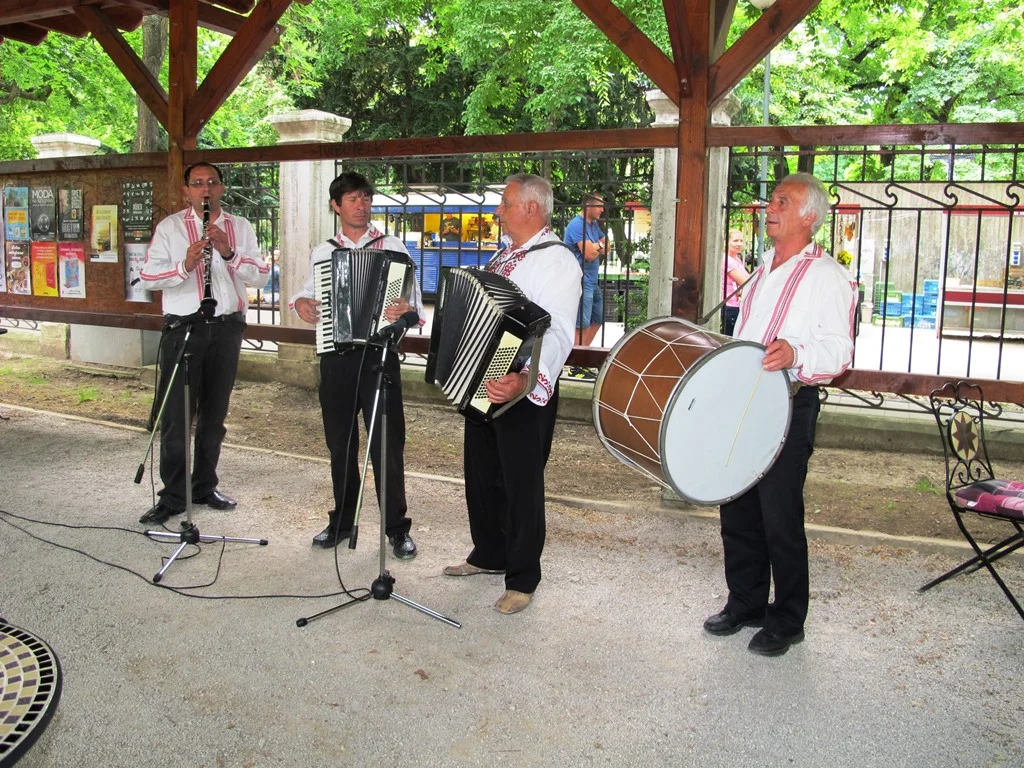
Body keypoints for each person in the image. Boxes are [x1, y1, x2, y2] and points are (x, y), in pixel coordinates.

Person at [704, 172, 856, 656]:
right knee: (737, 507)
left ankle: (788, 619)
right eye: (771, 200)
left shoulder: (828, 276)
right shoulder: (764, 266)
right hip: (743, 401)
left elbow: (840, 351)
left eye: (782, 201)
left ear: (809, 216)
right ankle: (745, 602)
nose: (769, 208)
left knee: (779, 514)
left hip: (789, 403)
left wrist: (796, 352)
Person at [443, 174, 582, 614]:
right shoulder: (505, 254)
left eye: (505, 203)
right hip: (484, 378)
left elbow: (558, 332)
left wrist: (526, 380)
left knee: (521, 483)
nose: (497, 211)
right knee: (482, 473)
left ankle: (522, 577)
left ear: (531, 208)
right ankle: (489, 552)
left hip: (522, 385)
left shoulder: (557, 260)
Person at [290, 171, 423, 559]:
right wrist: (301, 304)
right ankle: (342, 522)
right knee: (340, 445)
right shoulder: (323, 251)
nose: (361, 205)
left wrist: (406, 310)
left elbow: (414, 305)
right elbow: (306, 295)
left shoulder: (393, 246)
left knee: (387, 446)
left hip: (380, 357)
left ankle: (396, 529)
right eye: (352, 199)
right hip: (336, 357)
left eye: (365, 198)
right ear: (336, 206)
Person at [138, 162, 269, 525]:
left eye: (212, 182)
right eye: (197, 183)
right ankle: (173, 495)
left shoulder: (240, 227)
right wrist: (184, 265)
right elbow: (148, 276)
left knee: (214, 415)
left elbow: (260, 276)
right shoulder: (170, 228)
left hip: (226, 328)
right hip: (184, 328)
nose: (205, 189)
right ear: (186, 191)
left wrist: (228, 253)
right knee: (177, 415)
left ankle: (204, 486)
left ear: (221, 188)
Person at [563, 192, 606, 379]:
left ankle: (581, 360)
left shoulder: (593, 225)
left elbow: (607, 245)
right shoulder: (576, 225)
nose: (602, 210)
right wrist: (598, 247)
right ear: (588, 206)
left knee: (597, 318)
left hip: (592, 280)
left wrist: (596, 246)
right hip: (580, 280)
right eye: (599, 206)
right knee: (582, 324)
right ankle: (575, 364)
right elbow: (588, 255)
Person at [722, 228, 751, 336]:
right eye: (735, 241)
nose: (739, 244)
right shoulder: (727, 260)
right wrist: (742, 288)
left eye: (741, 241)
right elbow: (746, 282)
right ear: (726, 242)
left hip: (737, 304)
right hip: (729, 305)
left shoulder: (736, 259)